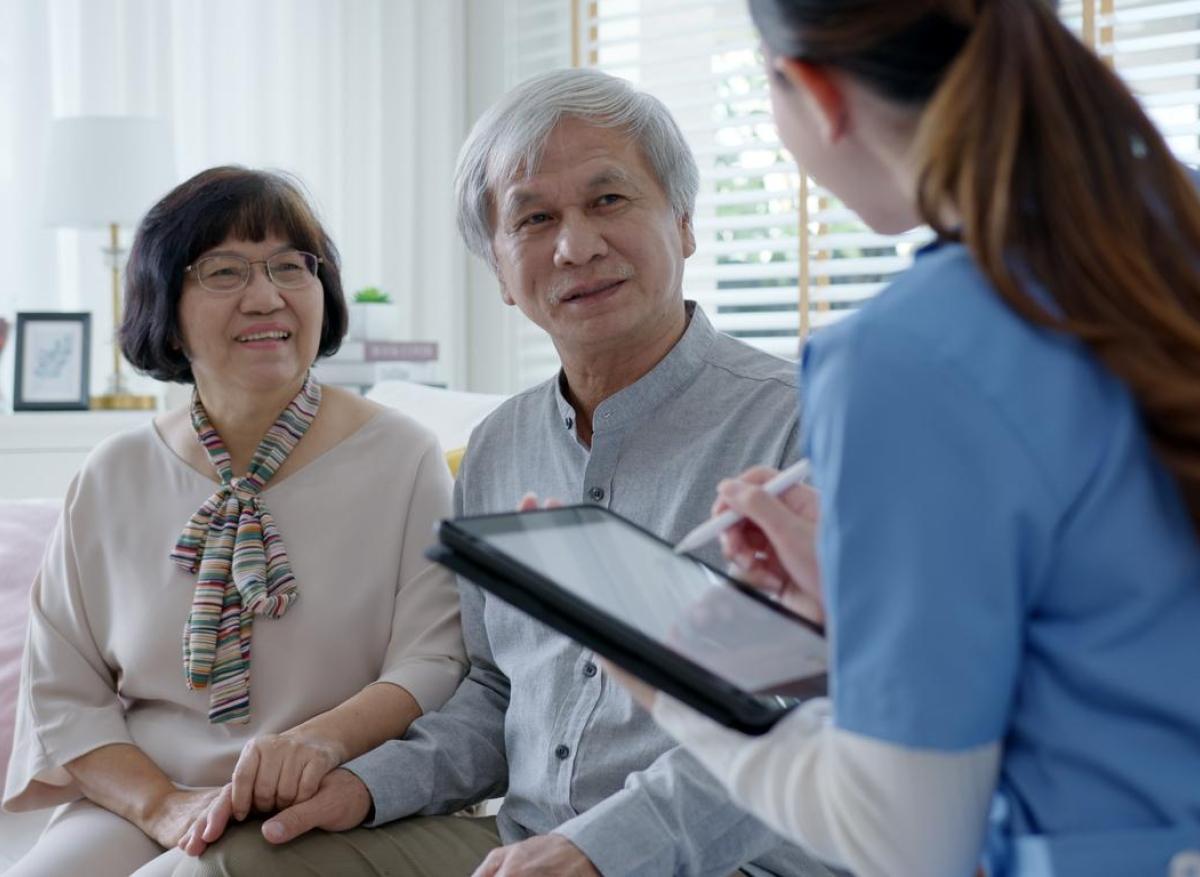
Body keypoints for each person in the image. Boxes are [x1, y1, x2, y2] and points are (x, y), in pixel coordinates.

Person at [177, 70, 835, 877]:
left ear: (686, 223)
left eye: (608, 201)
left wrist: (599, 849)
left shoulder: (806, 424)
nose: (576, 245)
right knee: (243, 859)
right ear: (497, 268)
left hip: (740, 857)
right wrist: (366, 783)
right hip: (520, 841)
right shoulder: (499, 445)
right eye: (534, 218)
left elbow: (813, 719)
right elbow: (496, 690)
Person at [603, 2, 1200, 876]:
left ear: (812, 89)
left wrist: (670, 686)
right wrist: (872, 628)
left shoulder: (905, 354)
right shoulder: (1156, 251)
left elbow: (906, 836)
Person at [1, 167, 468, 876]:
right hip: (146, 792)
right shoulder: (112, 474)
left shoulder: (404, 457)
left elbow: (435, 659)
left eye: (290, 266)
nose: (266, 296)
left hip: (321, 794)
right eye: (224, 271)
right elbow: (64, 690)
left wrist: (315, 744)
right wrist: (161, 803)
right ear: (167, 305)